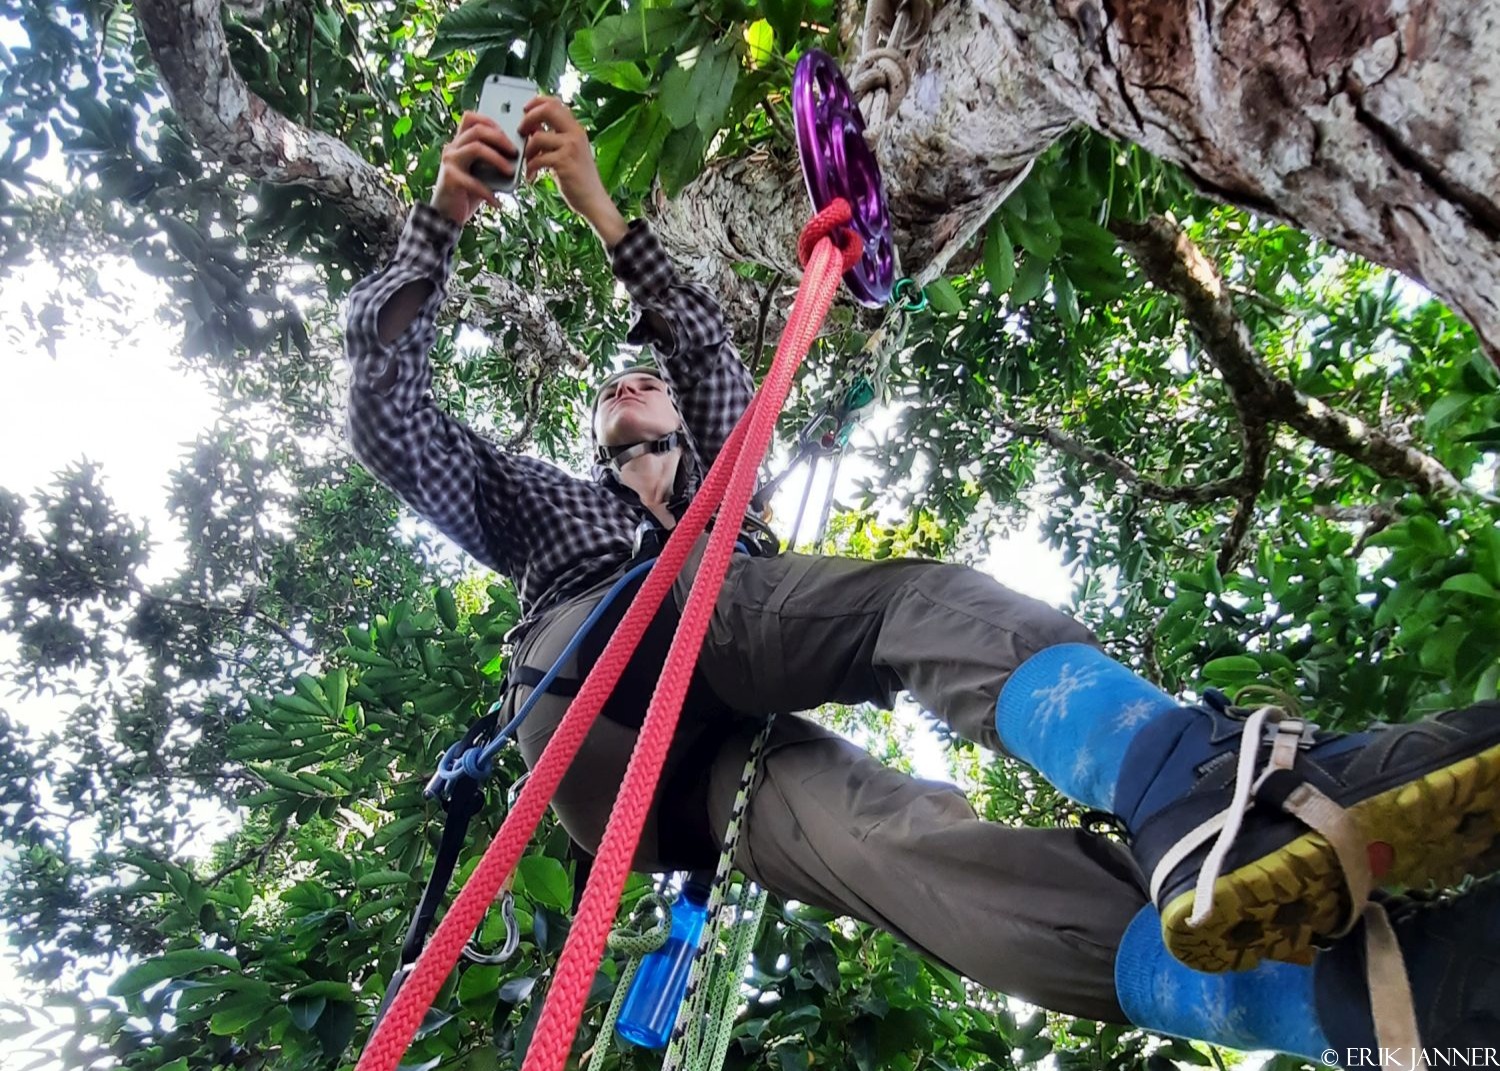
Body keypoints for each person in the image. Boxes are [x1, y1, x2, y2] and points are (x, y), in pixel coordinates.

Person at [342, 98, 1500, 1057]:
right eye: (615, 389)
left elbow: (702, 347)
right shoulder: (547, 506)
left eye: (640, 384)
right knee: (899, 601)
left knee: (899, 847)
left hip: (712, 753)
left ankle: (1356, 1001)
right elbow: (389, 419)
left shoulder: (727, 495)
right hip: (596, 679)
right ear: (598, 429)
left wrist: (602, 205)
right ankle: (1190, 786)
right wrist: (442, 218)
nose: (632, 385)